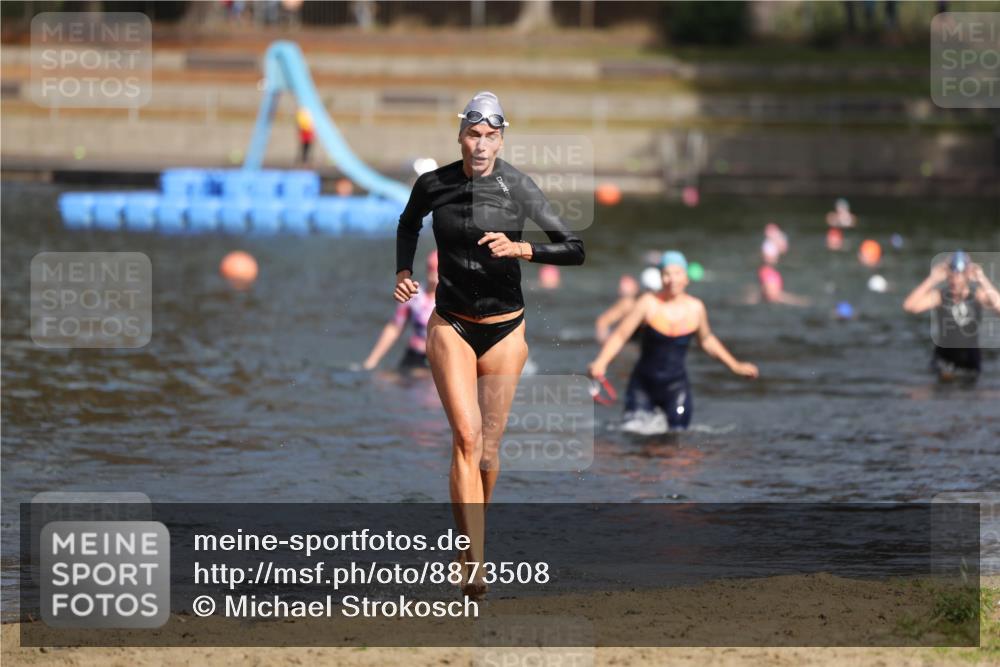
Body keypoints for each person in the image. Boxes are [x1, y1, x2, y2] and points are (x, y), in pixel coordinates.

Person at [394, 91, 584, 599]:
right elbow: (408, 222)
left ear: (501, 140)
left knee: (489, 448)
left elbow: (575, 248)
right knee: (465, 436)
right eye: (473, 135)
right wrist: (404, 271)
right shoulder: (433, 184)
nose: (481, 145)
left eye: (490, 136)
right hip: (450, 323)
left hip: (505, 330)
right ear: (460, 137)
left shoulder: (517, 185)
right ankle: (473, 555)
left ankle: (472, 538)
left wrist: (522, 247)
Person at [588, 251, 758, 433]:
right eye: (666, 274)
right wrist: (602, 361)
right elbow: (620, 335)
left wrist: (735, 365)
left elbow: (707, 340)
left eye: (677, 273)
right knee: (633, 438)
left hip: (676, 387)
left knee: (677, 442)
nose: (672, 279)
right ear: (661, 278)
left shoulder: (696, 308)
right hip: (642, 386)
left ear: (686, 278)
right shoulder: (648, 303)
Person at [903, 251, 1000, 381]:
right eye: (951, 277)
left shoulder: (978, 295)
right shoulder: (940, 296)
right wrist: (932, 279)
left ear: (967, 276)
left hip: (970, 363)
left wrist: (982, 279)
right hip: (944, 362)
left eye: (958, 276)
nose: (954, 281)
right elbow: (909, 306)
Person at [363, 251, 438, 373]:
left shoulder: (453, 299)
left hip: (440, 357)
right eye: (431, 268)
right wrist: (372, 360)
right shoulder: (415, 295)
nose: (433, 272)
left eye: (436, 268)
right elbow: (395, 327)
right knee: (386, 379)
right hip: (415, 355)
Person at [595, 275, 640, 342]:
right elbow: (602, 321)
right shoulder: (627, 303)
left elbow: (602, 321)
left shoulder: (628, 303)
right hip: (629, 340)